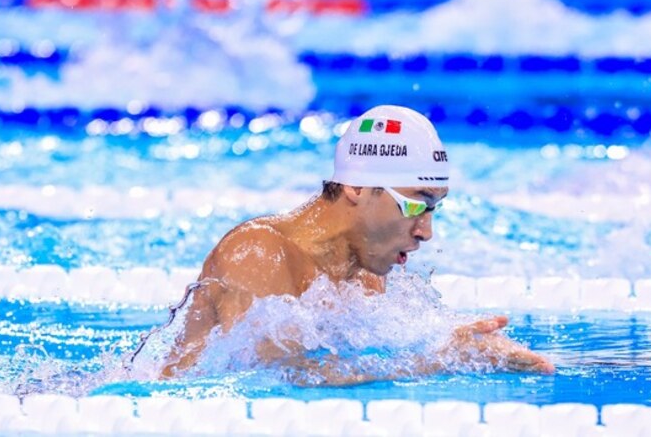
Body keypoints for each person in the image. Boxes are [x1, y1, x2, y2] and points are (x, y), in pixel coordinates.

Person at [160, 105, 554, 381]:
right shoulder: (257, 252)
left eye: (435, 209)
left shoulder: (366, 271)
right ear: (357, 186)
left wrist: (466, 345)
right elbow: (281, 375)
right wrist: (443, 361)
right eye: (417, 203)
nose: (425, 231)